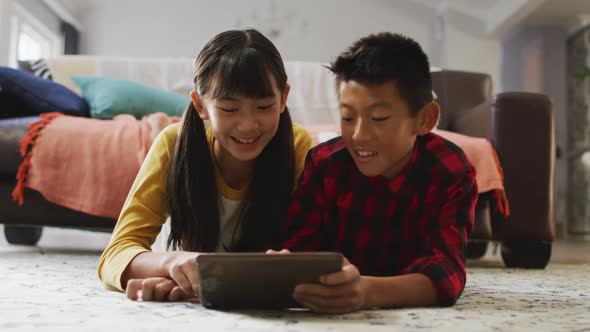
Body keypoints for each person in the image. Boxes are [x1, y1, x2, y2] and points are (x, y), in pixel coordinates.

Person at [98, 29, 311, 302]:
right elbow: (116, 254)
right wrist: (170, 263)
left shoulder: (297, 146)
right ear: (200, 105)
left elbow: (310, 249)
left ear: (283, 99)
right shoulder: (173, 144)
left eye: (264, 107)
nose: (247, 125)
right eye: (229, 109)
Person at [275, 32, 478, 313]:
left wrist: (367, 292)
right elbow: (297, 244)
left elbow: (446, 270)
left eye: (379, 118)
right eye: (347, 117)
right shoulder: (325, 164)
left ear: (425, 119)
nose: (359, 135)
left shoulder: (450, 171)